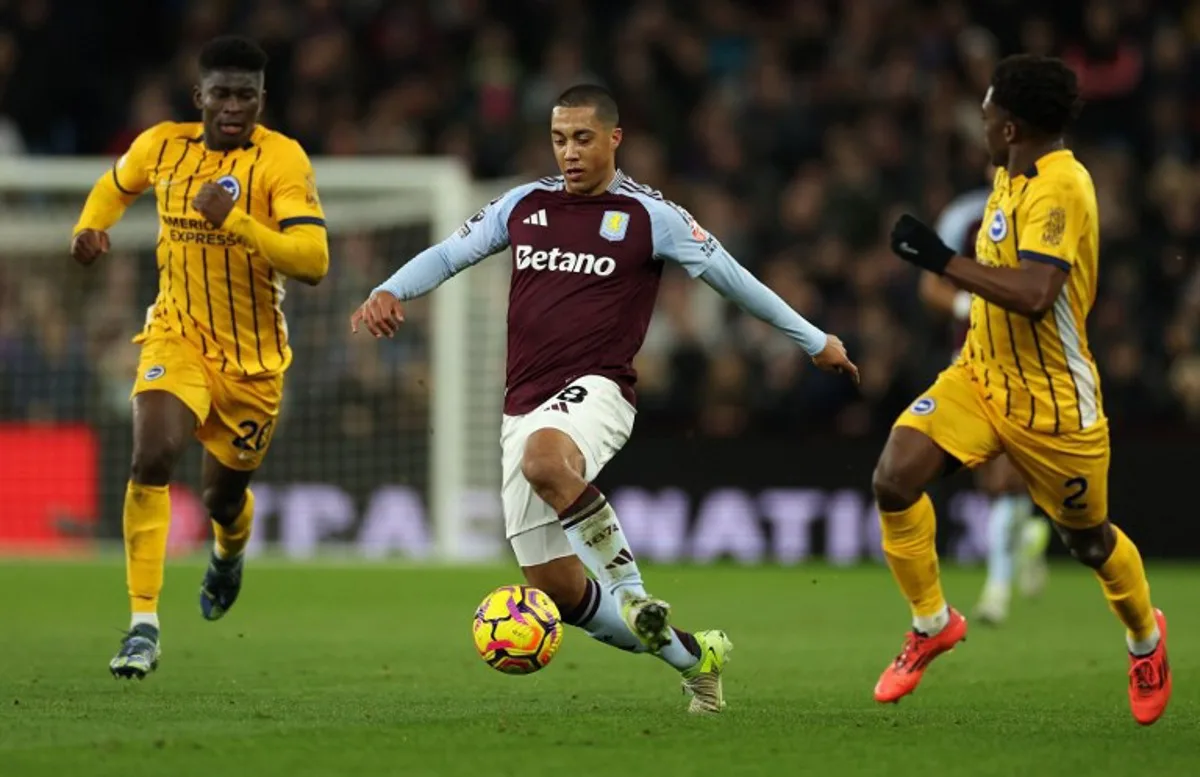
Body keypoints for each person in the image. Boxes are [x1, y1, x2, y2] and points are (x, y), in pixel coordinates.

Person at [352, 84, 858, 714]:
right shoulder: (524, 204)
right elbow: (452, 252)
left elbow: (733, 278)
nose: (569, 151)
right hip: (522, 406)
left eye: (583, 138)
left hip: (600, 391)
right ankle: (695, 658)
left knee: (545, 465)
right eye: (560, 138)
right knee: (560, 595)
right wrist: (390, 288)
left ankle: (632, 591)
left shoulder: (651, 216)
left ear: (614, 139)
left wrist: (813, 341)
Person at [874, 54, 1171, 725]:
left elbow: (1038, 294)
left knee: (1088, 541)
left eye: (985, 113)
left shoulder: (1062, 187)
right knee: (895, 476)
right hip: (980, 375)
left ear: (1009, 127)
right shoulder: (1009, 173)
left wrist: (945, 263)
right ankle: (931, 621)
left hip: (1055, 403)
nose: (979, 122)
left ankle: (1146, 638)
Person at [71, 36, 330, 679]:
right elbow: (113, 185)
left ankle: (228, 551)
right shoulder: (162, 144)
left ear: (262, 99)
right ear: (200, 97)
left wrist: (236, 221)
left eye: (247, 94)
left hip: (254, 366)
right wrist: (89, 226)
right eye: (223, 93)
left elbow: (314, 263)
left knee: (221, 498)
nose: (234, 106)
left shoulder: (282, 161)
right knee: (151, 455)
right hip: (176, 337)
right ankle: (142, 625)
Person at [920, 181, 1051, 625]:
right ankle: (1027, 532)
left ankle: (996, 591)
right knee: (993, 481)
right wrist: (970, 306)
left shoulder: (1044, 212)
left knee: (1003, 477)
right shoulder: (964, 216)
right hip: (969, 360)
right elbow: (930, 288)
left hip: (1025, 360)